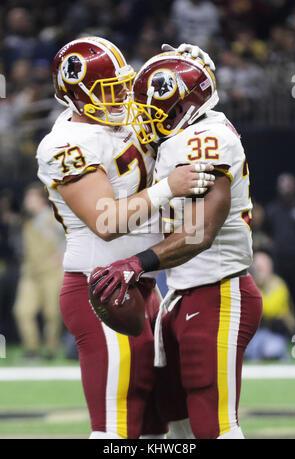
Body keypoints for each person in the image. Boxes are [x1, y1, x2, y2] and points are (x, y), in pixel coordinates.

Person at [36, 36, 215, 439]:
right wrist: (168, 188)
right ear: (76, 93)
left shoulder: (122, 119)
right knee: (118, 424)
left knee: (159, 421)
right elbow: (106, 221)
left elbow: (177, 114)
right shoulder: (65, 145)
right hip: (99, 285)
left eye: (122, 86)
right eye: (108, 91)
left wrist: (191, 75)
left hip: (142, 280)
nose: (120, 97)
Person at [90, 50, 263, 439]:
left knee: (213, 425)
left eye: (154, 109)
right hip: (185, 295)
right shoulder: (186, 133)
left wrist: (136, 263)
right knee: (177, 425)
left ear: (184, 107)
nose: (146, 117)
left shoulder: (207, 138)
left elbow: (199, 233)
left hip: (219, 292)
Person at [13, 183, 64, 360]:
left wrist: (62, 256)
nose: (27, 201)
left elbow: (69, 238)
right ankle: (32, 349)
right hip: (31, 273)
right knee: (22, 310)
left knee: (52, 312)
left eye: (31, 198)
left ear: (41, 200)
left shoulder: (53, 218)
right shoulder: (26, 220)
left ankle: (50, 350)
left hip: (52, 272)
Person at [245, 251, 295, 361]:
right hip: (255, 334)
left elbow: (269, 310)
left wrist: (252, 287)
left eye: (261, 268)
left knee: (272, 350)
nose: (258, 272)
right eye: (256, 268)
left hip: (274, 333)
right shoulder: (249, 286)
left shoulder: (278, 284)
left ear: (269, 268)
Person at [265, 173, 295, 328]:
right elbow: (266, 232)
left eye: (288, 185)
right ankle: (283, 330)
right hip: (279, 260)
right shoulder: (272, 210)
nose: (286, 189)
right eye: (283, 185)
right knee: (280, 295)